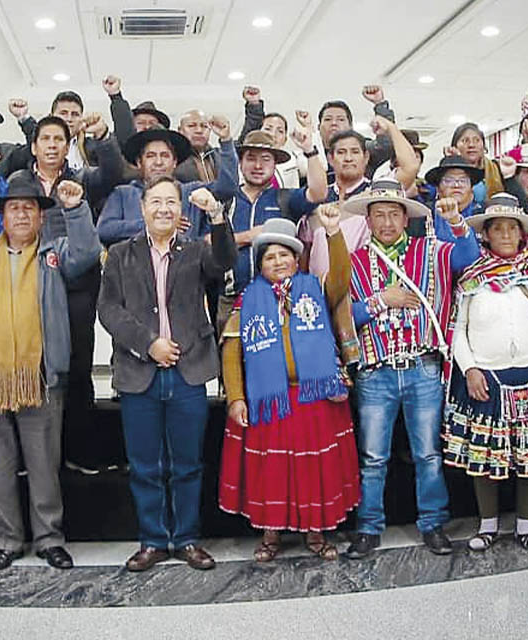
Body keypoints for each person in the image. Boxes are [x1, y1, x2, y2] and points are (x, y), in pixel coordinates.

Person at [327, 180, 480, 559]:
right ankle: (368, 528)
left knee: (428, 453)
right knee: (374, 456)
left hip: (422, 367)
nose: (386, 221)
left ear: (405, 217)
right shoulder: (355, 260)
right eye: (378, 214)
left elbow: (469, 258)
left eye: (393, 214)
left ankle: (433, 524)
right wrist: (382, 300)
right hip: (375, 371)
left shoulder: (433, 252)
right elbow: (344, 313)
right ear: (368, 219)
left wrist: (457, 222)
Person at [0, 179, 102, 571]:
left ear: (41, 216)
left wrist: (75, 210)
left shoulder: (54, 254)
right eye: (13, 208)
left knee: (43, 464)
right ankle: (7, 539)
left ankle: (49, 538)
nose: (21, 214)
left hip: (40, 377)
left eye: (28, 208)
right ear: (2, 216)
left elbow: (87, 254)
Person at [98, 177, 236, 572]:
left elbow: (226, 260)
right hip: (139, 371)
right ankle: (154, 540)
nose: (163, 209)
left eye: (171, 202)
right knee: (145, 465)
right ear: (142, 209)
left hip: (188, 372)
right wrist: (148, 343)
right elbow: (109, 310)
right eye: (155, 202)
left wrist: (216, 215)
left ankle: (188, 538)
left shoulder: (195, 251)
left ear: (181, 210)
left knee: (188, 463)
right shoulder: (121, 254)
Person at [444, 194, 528, 551]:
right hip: (487, 378)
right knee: (485, 457)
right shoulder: (471, 278)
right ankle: (487, 525)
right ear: (486, 235)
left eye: (511, 228)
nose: (505, 234)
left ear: (521, 233)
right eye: (497, 228)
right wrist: (470, 368)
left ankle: (526, 525)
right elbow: (458, 330)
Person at [218, 216, 359, 562]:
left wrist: (333, 232)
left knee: (315, 472)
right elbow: (232, 354)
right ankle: (271, 535)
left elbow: (342, 275)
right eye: (269, 257)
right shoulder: (247, 301)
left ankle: (316, 533)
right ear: (260, 264)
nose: (278, 262)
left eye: (285, 255)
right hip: (271, 401)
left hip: (315, 400)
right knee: (272, 473)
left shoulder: (315, 288)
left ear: (297, 260)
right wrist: (236, 397)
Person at [218, 128, 327, 329]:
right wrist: (248, 236)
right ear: (240, 163)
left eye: (265, 159)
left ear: (275, 164)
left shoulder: (286, 198)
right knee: (229, 358)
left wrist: (310, 151)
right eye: (250, 158)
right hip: (230, 300)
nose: (258, 165)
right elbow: (206, 242)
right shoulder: (224, 200)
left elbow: (319, 193)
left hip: (279, 297)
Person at [97, 120, 239, 246]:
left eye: (165, 155)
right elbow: (105, 230)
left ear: (175, 162)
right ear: (139, 162)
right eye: (151, 156)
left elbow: (228, 187)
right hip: (137, 272)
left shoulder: (192, 192)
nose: (158, 162)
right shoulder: (123, 193)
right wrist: (155, 224)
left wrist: (226, 141)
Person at [445, 122, 506, 205]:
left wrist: (510, 177)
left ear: (484, 146)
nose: (471, 145)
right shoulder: (446, 171)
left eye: (476, 140)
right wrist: (451, 161)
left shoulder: (496, 169)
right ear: (454, 146)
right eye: (465, 141)